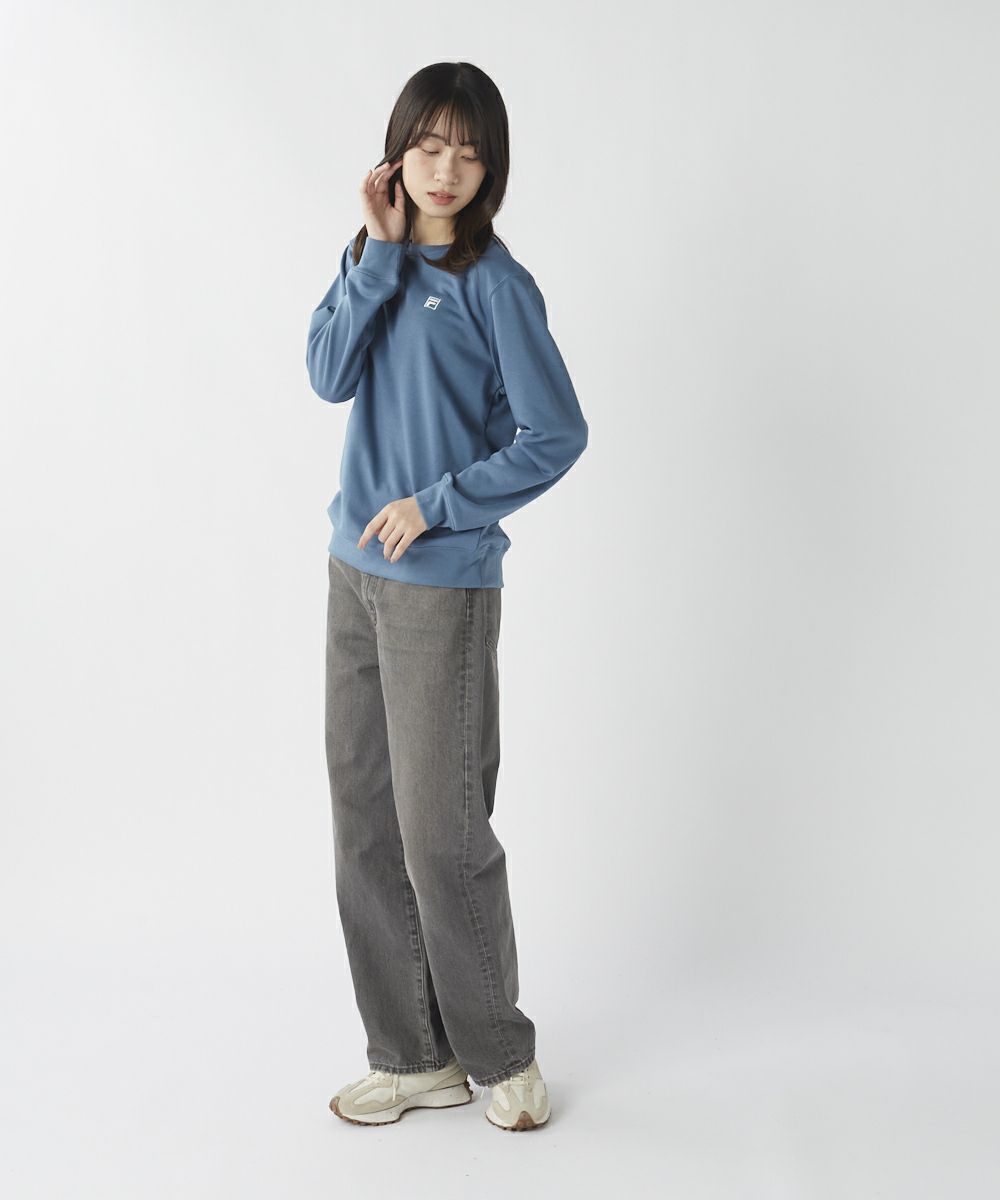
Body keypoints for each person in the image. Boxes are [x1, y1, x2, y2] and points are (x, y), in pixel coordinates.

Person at [305, 61, 588, 1132]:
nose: (446, 169)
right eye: (428, 145)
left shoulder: (497, 287)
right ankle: (411, 1055)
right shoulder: (370, 258)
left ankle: (499, 1054)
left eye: (469, 151)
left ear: (490, 167)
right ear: (396, 154)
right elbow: (328, 372)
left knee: (442, 834)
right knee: (365, 825)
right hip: (353, 576)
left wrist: (438, 505)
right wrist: (376, 254)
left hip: (440, 590)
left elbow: (556, 434)